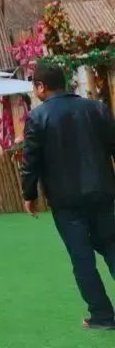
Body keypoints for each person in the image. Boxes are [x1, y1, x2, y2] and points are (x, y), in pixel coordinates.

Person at [21, 63, 115, 330]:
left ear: (41, 86)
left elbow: (30, 162)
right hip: (103, 192)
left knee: (81, 257)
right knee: (112, 246)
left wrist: (29, 194)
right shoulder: (96, 108)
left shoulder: (37, 117)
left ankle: (102, 315)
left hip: (66, 200)